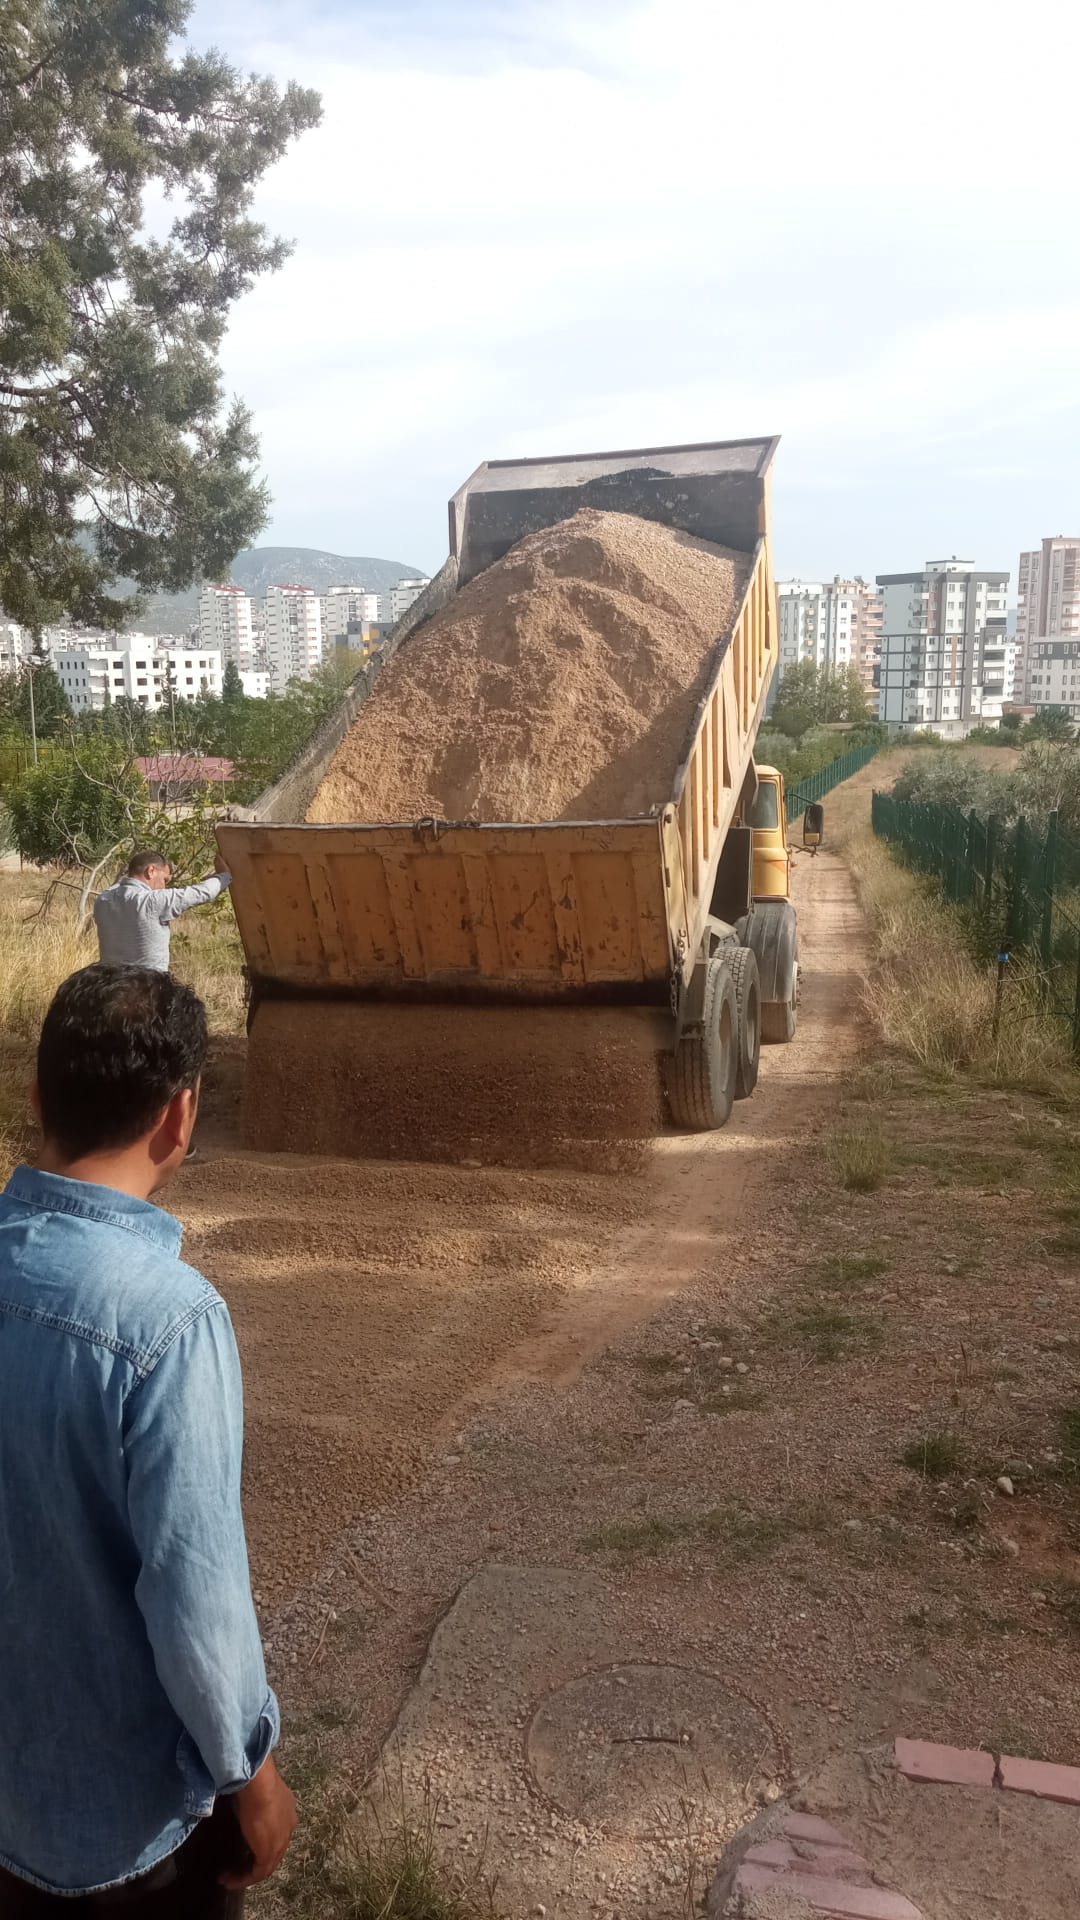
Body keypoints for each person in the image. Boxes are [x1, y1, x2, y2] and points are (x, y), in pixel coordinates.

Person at [0, 965, 296, 1914]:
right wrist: (251, 1773)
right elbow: (193, 1595)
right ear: (181, 1115)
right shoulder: (169, 1323)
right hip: (126, 1835)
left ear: (37, 1095)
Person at [94, 849, 233, 972]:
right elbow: (203, 892)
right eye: (165, 880)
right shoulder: (152, 901)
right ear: (151, 871)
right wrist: (225, 874)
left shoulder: (103, 899)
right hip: (148, 985)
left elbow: (123, 889)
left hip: (108, 984)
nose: (164, 887)